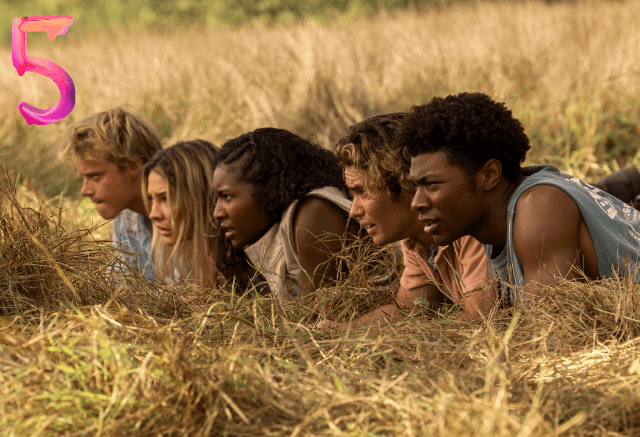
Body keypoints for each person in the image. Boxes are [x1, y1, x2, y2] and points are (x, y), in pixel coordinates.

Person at [400, 92, 640, 305]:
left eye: (431, 185)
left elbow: (550, 329)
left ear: (489, 175)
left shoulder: (539, 205)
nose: (416, 203)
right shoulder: (494, 229)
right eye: (415, 187)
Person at [319, 113, 495, 329]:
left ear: (403, 183)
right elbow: (409, 309)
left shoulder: (464, 222)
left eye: (362, 192)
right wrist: (343, 329)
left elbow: (477, 320)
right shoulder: (414, 235)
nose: (353, 211)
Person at [212, 127, 362, 299]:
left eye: (227, 196)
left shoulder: (313, 213)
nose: (217, 213)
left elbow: (318, 312)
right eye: (217, 199)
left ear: (266, 189)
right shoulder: (272, 233)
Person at [60, 106, 162, 280]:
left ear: (133, 166)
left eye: (95, 176)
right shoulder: (126, 215)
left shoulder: (185, 213)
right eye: (83, 177)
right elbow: (121, 282)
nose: (84, 191)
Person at [142, 140, 221, 288]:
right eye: (151, 199)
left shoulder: (250, 262)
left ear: (200, 195)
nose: (153, 214)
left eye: (165, 198)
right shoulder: (198, 259)